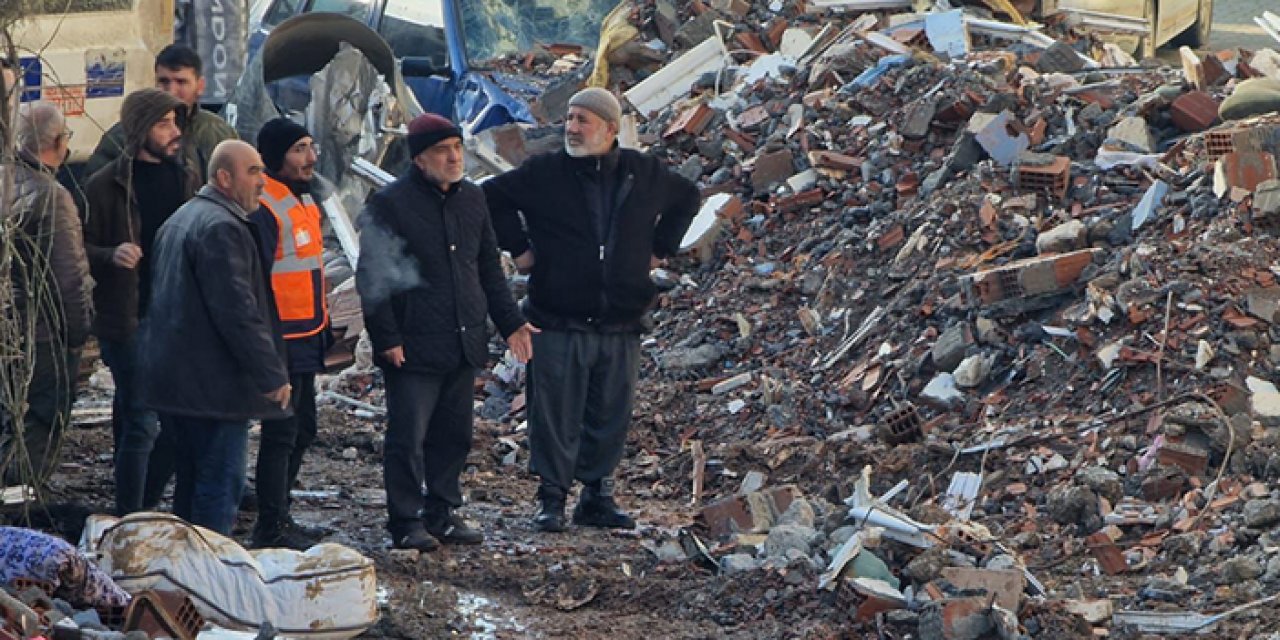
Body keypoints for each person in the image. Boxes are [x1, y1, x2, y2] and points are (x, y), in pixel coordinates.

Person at [483, 88, 699, 532]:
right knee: (555, 412)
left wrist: (661, 249)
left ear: (611, 129)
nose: (573, 128)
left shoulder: (643, 174)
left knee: (609, 412)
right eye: (570, 119)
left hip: (621, 318)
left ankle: (596, 495)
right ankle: (551, 498)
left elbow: (688, 198)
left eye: (583, 120)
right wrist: (521, 250)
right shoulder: (544, 172)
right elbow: (491, 199)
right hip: (559, 316)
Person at [356, 113, 536, 552]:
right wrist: (387, 338)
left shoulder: (472, 200)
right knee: (408, 437)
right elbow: (373, 277)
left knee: (454, 434)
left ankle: (442, 511)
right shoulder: (390, 205)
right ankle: (404, 520)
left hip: (462, 337)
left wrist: (510, 323)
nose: (454, 157)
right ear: (419, 159)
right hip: (414, 341)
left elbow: (489, 268)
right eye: (442, 150)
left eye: (457, 147)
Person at [138, 140, 291, 535]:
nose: (263, 182)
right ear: (225, 178)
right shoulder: (221, 227)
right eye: (253, 172)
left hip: (179, 382)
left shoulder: (183, 218)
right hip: (214, 388)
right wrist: (271, 374)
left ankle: (185, 575)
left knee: (190, 482)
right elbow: (238, 312)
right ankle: (208, 579)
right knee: (219, 487)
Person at [82, 88, 196, 516]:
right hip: (127, 318)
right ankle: (129, 516)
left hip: (176, 317)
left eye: (175, 122)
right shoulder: (104, 184)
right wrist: (111, 255)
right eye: (163, 123)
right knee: (141, 421)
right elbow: (80, 247)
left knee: (176, 422)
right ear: (139, 130)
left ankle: (147, 506)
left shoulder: (185, 176)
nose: (174, 132)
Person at [247, 118, 333, 549]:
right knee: (282, 432)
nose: (310, 158)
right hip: (281, 338)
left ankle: (278, 509)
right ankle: (270, 523)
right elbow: (259, 279)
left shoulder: (303, 200)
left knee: (303, 429)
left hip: (307, 334)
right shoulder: (266, 205)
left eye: (310, 147)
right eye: (300, 149)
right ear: (276, 156)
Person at [1, 102, 94, 484]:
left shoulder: (4, 181)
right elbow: (68, 279)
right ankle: (16, 516)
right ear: (58, 142)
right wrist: (77, 337)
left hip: (10, 334)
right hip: (39, 339)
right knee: (39, 427)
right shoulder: (52, 198)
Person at [83, 44, 236, 181]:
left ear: (200, 86)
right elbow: (92, 192)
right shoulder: (123, 135)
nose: (171, 91)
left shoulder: (218, 134)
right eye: (164, 81)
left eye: (181, 82)